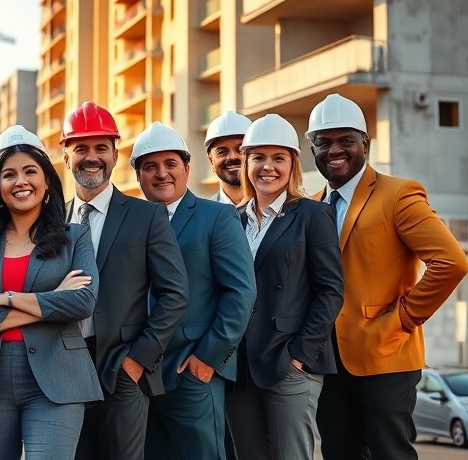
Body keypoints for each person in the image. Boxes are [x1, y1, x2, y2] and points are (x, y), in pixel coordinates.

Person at [306, 94, 468, 460]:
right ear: (312, 147)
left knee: (389, 453)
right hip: (327, 361)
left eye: (346, 140)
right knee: (339, 452)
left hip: (385, 355)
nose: (335, 150)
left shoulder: (399, 194)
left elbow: (451, 261)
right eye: (324, 142)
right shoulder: (310, 205)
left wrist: (404, 318)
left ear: (365, 143)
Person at [0, 126, 103, 460]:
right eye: (9, 175)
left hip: (58, 375)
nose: (21, 181)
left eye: (31, 172)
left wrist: (3, 298)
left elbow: (83, 301)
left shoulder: (74, 237)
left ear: (46, 183)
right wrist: (52, 298)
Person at [59, 102, 189, 460]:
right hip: (60, 369)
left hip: (121, 367)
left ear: (115, 154)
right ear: (65, 154)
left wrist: (137, 361)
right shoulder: (50, 220)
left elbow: (175, 295)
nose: (92, 157)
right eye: (81, 148)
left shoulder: (146, 216)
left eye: (101, 147)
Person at [130, 122, 256, 460]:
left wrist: (208, 360)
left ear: (187, 168)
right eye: (149, 167)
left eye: (170, 164)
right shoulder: (130, 221)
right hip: (139, 378)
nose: (161, 174)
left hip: (192, 372)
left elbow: (240, 293)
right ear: (138, 176)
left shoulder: (217, 217)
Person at [225, 114, 344, 460]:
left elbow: (331, 290)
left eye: (278, 158)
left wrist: (300, 356)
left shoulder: (312, 215)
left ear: (292, 164)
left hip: (288, 362)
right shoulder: (232, 219)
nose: (268, 167)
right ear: (246, 162)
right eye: (258, 157)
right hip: (239, 364)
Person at [205, 111, 251, 206]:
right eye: (222, 152)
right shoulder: (202, 215)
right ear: (211, 161)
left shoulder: (281, 210)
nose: (233, 157)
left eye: (241, 149)